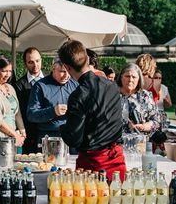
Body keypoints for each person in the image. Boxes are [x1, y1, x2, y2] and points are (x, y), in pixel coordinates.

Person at [58, 40, 126, 180]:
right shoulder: (111, 85)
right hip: (116, 157)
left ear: (67, 67)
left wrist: (63, 128)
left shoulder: (78, 96)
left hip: (94, 163)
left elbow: (73, 139)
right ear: (88, 58)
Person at [26, 59, 78, 145]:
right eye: (62, 71)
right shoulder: (40, 86)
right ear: (53, 69)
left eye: (69, 71)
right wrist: (53, 111)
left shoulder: (75, 84)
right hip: (49, 137)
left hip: (71, 136)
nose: (66, 75)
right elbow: (31, 115)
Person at [12, 47, 44, 152]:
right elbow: (19, 111)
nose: (35, 65)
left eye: (37, 61)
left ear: (41, 60)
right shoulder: (19, 85)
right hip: (29, 134)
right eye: (31, 62)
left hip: (47, 131)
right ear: (25, 64)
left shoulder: (51, 80)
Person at [117, 63, 161, 135]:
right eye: (127, 76)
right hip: (115, 142)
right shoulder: (112, 94)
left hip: (140, 141)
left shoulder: (145, 96)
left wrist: (144, 126)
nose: (130, 80)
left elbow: (156, 121)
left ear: (139, 79)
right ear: (121, 77)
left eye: (134, 77)